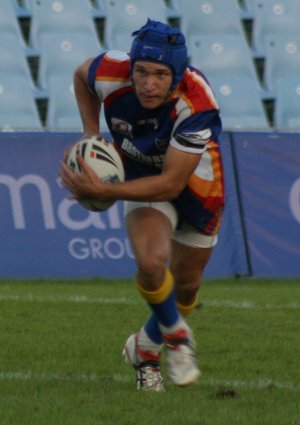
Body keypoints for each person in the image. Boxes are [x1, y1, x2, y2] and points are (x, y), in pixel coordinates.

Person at [60, 19, 225, 392]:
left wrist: (106, 191)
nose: (149, 84)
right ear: (131, 66)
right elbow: (80, 74)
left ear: (178, 74)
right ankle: (175, 343)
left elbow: (170, 183)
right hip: (139, 174)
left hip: (196, 184)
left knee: (186, 287)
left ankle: (144, 345)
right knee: (151, 263)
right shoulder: (111, 71)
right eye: (142, 72)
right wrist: (91, 134)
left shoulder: (197, 103)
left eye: (161, 75)